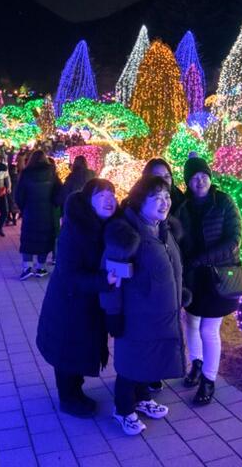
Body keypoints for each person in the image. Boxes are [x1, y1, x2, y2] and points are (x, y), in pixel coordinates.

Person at [100, 175, 188, 435]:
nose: (165, 203)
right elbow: (112, 279)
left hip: (160, 313)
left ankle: (140, 398)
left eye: (167, 197)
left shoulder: (163, 230)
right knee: (132, 362)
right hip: (135, 315)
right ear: (140, 200)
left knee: (148, 360)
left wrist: (179, 294)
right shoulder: (127, 236)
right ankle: (123, 410)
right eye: (156, 198)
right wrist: (113, 313)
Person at [36, 179, 118, 417]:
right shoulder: (74, 230)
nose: (108, 199)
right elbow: (70, 274)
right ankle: (68, 398)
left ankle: (76, 390)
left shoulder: (108, 227)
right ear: (88, 201)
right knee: (68, 350)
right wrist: (104, 281)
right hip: (68, 304)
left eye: (111, 194)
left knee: (81, 348)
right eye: (101, 195)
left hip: (87, 303)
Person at [175, 157, 242, 405]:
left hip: (218, 277)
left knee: (208, 329)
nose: (199, 180)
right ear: (188, 182)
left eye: (202, 175)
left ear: (209, 176)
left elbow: (233, 240)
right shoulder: (183, 207)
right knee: (190, 322)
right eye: (193, 177)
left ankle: (208, 379)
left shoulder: (223, 201)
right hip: (194, 278)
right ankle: (196, 363)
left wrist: (200, 259)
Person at [140, 157, 185, 393]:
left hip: (176, 277)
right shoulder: (142, 205)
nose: (163, 181)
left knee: (171, 329)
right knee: (152, 332)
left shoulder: (181, 202)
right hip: (152, 281)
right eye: (156, 176)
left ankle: (162, 370)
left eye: (167, 176)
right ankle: (148, 376)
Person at [15, 150, 62, 280]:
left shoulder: (26, 173)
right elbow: (59, 191)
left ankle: (27, 267)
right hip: (46, 212)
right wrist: (54, 203)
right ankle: (41, 267)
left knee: (28, 238)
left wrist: (23, 208)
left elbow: (19, 194)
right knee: (44, 238)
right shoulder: (51, 173)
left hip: (30, 211)